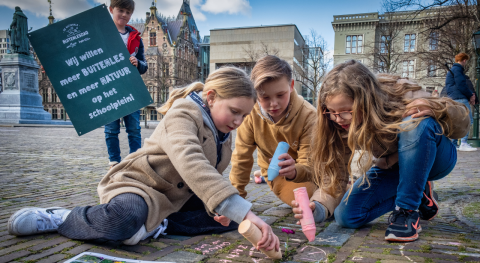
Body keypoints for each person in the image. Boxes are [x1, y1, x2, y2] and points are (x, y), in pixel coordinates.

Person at [7, 67, 280, 252]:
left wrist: (221, 209)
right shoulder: (184, 112)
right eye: (235, 112)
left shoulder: (223, 130)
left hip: (175, 198)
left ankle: (158, 225)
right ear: (210, 97)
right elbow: (190, 160)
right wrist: (243, 210)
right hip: (141, 186)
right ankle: (63, 217)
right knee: (123, 221)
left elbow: (208, 177)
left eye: (244, 116)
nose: (239, 121)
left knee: (229, 219)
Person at [292, 60, 470, 242]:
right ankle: (420, 193)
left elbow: (463, 123)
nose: (339, 119)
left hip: (437, 159)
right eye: (331, 111)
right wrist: (319, 207)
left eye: (347, 111)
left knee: (415, 120)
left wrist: (436, 109)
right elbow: (335, 177)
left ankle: (407, 211)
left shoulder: (400, 91)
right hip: (394, 167)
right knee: (346, 216)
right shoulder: (335, 123)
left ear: (365, 101)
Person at [229, 55, 318, 207]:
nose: (273, 104)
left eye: (280, 95)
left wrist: (295, 170)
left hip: (306, 169)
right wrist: (235, 200)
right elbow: (241, 159)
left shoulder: (309, 115)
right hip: (276, 174)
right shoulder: (250, 114)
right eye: (265, 97)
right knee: (307, 201)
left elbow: (308, 163)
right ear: (255, 93)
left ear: (291, 85)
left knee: (327, 198)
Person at [105, 0, 148, 168]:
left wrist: (137, 62)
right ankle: (114, 162)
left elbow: (144, 66)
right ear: (111, 10)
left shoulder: (136, 38)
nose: (124, 15)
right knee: (111, 129)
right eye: (120, 10)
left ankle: (135, 162)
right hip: (109, 89)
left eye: (128, 12)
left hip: (131, 89)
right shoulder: (101, 34)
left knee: (134, 129)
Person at [445, 53, 477, 151]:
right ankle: (463, 143)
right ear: (464, 60)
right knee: (468, 120)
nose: (465, 62)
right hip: (460, 97)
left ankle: (454, 144)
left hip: (453, 97)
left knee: (456, 121)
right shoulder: (458, 69)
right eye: (466, 61)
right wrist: (470, 95)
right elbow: (462, 85)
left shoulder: (453, 69)